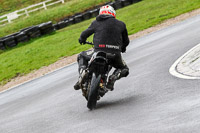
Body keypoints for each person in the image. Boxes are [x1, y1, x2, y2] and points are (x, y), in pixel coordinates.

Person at [74, 5, 130, 91]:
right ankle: (113, 78)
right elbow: (126, 41)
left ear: (101, 13)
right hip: (114, 54)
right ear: (113, 14)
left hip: (98, 51)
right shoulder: (121, 24)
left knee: (81, 55)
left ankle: (82, 75)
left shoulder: (96, 22)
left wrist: (82, 39)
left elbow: (84, 34)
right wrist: (123, 48)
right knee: (124, 68)